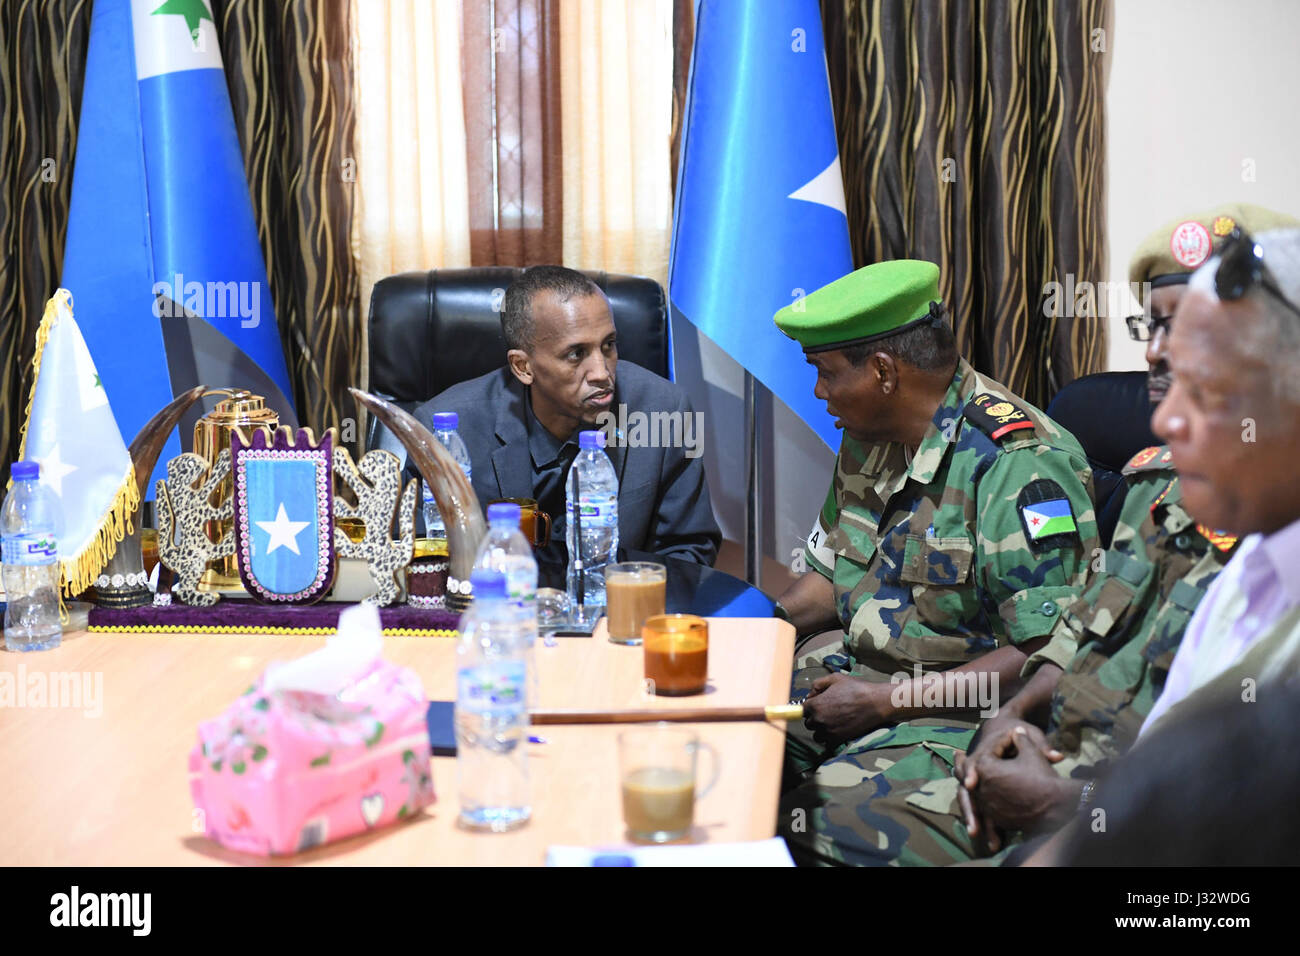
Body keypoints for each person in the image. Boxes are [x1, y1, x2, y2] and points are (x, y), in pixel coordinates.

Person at [775, 206, 1297, 867]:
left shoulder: (1021, 462)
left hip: (979, 732)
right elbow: (1076, 636)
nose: (1162, 413)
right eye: (1157, 334)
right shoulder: (1159, 491)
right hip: (1030, 750)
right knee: (743, 750)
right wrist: (1012, 719)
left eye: (1210, 384)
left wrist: (901, 707)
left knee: (818, 823)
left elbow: (1210, 822)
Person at [769, 259, 1098, 865]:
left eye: (825, 374)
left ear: (884, 372)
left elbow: (1046, 653)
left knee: (809, 832)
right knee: (725, 747)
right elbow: (836, 569)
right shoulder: (872, 430)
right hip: (857, 673)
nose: (819, 393)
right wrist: (766, 623)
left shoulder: (1019, 466)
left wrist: (883, 702)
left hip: (957, 715)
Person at [410, 266, 721, 567]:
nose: (602, 373)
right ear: (523, 367)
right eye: (576, 354)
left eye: (609, 345)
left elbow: (687, 551)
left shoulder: (662, 411)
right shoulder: (445, 430)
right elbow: (425, 560)